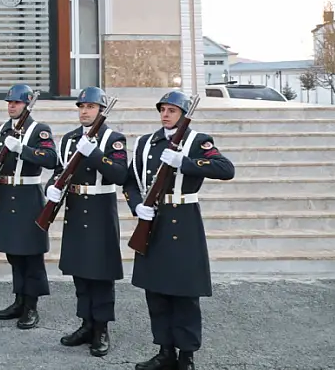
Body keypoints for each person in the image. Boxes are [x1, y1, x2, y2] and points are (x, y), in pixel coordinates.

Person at [123, 90, 235, 370]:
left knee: (185, 293)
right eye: (162, 109)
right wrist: (137, 207)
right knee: (156, 291)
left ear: (183, 115)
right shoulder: (146, 143)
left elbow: (225, 168)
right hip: (154, 221)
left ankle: (186, 355)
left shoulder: (198, 141)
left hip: (184, 221)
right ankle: (164, 352)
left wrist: (184, 162)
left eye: (172, 110)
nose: (165, 114)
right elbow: (129, 182)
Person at [45, 86, 128, 356]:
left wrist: (93, 153)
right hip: (76, 207)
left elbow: (119, 174)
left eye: (90, 107)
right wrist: (52, 186)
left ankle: (101, 328)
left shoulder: (113, 139)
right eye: (81, 107)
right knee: (80, 270)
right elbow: (60, 169)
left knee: (101, 273)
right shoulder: (69, 139)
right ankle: (86, 323)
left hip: (101, 209)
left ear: (101, 110)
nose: (84, 111)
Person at [0, 83, 58, 329]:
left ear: (27, 105)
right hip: (6, 195)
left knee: (31, 256)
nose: (11, 106)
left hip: (28, 196)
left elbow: (50, 159)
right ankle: (18, 300)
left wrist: (23, 149)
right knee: (14, 254)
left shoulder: (40, 130)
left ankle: (31, 306)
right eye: (9, 103)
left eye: (16, 103)